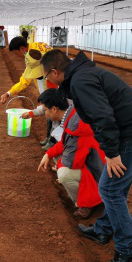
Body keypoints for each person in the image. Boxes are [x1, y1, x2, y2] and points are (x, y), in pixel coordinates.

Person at [41, 49, 132, 262]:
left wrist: (112, 153)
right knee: (116, 188)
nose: (47, 80)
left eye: (47, 76)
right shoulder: (82, 75)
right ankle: (104, 229)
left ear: (55, 72)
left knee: (109, 189)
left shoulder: (81, 80)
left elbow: (103, 116)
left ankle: (127, 248)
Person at [36, 88, 105, 219]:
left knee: (64, 175)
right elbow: (65, 142)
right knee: (57, 156)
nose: (45, 114)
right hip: (95, 160)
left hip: (98, 170)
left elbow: (73, 163)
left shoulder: (76, 126)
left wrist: (60, 166)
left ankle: (87, 204)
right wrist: (48, 154)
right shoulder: (73, 113)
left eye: (45, 110)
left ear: (54, 109)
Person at [0, 37, 54, 104]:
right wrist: (8, 93)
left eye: (16, 53)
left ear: (22, 48)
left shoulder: (32, 57)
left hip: (52, 84)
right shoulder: (39, 45)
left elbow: (25, 81)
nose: (16, 56)